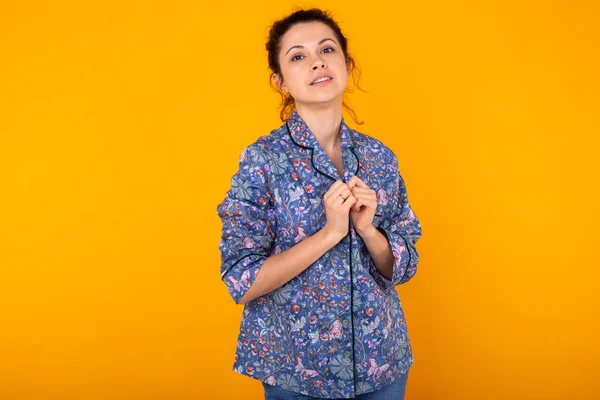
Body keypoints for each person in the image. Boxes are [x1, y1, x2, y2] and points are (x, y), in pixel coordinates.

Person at [216, 8, 423, 400]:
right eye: (298, 56)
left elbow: (405, 264)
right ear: (280, 80)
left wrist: (369, 231)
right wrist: (330, 234)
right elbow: (241, 281)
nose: (317, 62)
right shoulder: (262, 161)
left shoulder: (380, 158)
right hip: (297, 371)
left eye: (327, 49)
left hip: (383, 362)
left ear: (346, 63)